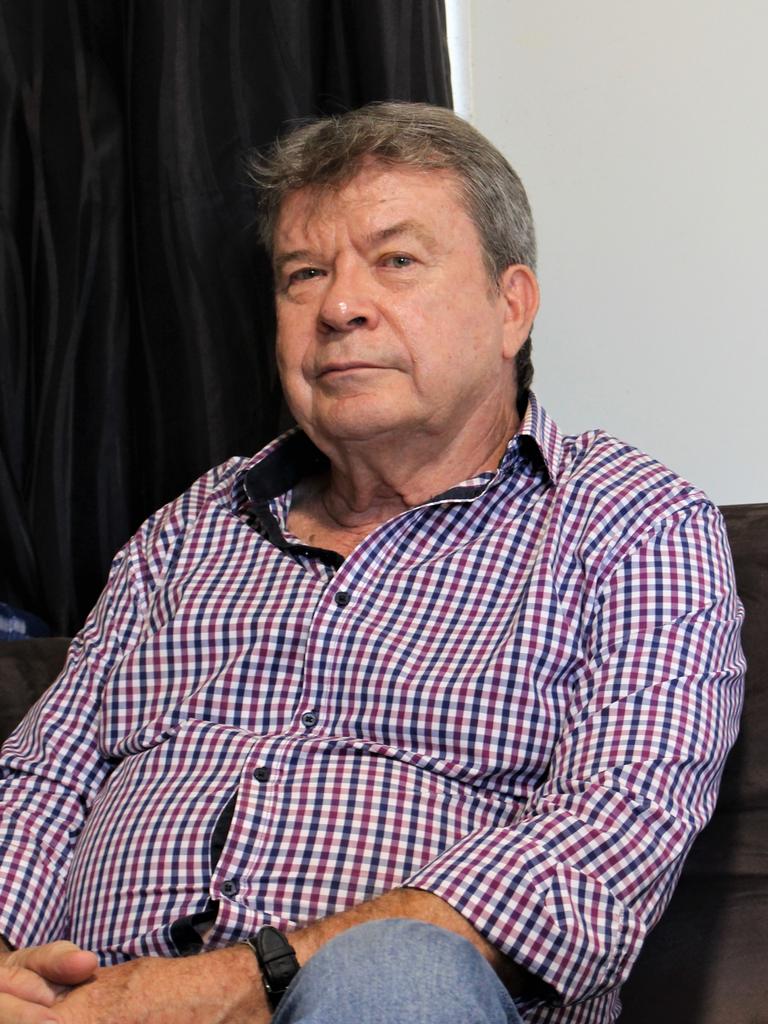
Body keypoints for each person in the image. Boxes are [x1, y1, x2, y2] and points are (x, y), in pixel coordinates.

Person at [0, 102, 745, 1024]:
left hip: (379, 1001)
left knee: (393, 970)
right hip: (89, 1004)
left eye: (395, 261)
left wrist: (241, 980)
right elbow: (42, 779)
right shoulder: (189, 529)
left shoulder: (626, 520)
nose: (340, 306)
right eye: (303, 274)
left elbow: (603, 846)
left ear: (510, 306)